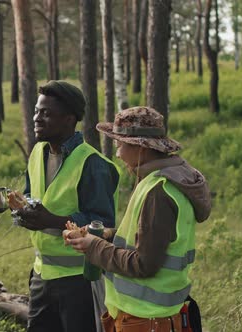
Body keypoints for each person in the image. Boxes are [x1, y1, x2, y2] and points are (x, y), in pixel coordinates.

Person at [65, 106, 211, 332]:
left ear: (141, 147)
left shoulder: (158, 192)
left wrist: (95, 247)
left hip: (145, 320)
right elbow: (152, 240)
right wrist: (108, 235)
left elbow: (144, 264)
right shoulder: (161, 183)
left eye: (121, 145)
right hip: (148, 317)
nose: (118, 154)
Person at [7, 81, 120, 332]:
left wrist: (52, 221)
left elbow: (103, 226)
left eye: (46, 113)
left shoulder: (92, 163)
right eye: (37, 111)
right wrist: (21, 211)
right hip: (41, 275)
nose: (37, 118)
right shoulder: (38, 152)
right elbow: (32, 197)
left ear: (69, 119)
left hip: (79, 281)